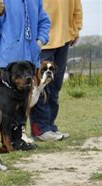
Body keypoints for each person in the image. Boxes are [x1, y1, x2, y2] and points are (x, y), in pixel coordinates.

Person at [0, 0, 51, 151]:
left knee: (23, 106)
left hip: (30, 61)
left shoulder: (35, 1)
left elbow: (45, 21)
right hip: (9, 63)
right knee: (7, 106)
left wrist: (40, 41)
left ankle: (18, 139)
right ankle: (5, 141)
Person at [30, 0, 83, 141]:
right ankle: (40, 129)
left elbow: (76, 5)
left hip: (64, 37)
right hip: (43, 39)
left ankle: (50, 126)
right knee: (41, 88)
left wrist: (76, 27)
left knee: (55, 86)